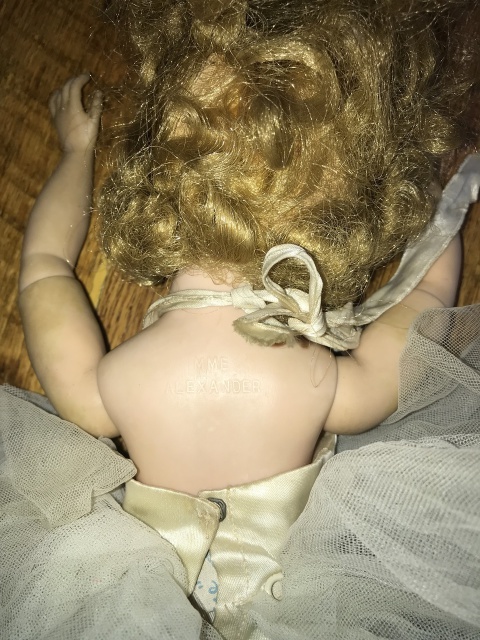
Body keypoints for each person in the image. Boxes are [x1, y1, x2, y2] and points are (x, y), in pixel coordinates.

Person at [1, 1, 480, 638]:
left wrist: (75, 151)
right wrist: (443, 210)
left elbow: (44, 268)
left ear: (153, 184)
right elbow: (423, 307)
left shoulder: (113, 385)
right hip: (315, 598)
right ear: (350, 215)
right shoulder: (318, 382)